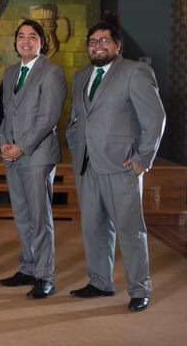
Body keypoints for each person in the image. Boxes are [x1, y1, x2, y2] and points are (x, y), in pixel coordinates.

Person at [66, 21, 165, 312]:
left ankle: (139, 289)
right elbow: (76, 120)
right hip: (87, 164)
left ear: (118, 45)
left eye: (104, 41)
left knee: (130, 230)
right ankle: (99, 282)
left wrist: (142, 159)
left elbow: (155, 118)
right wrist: (75, 150)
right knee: (93, 228)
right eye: (92, 41)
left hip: (122, 165)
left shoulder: (135, 71)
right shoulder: (81, 76)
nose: (98, 46)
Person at [0, 20, 66, 299]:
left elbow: (48, 118)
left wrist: (21, 147)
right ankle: (27, 268)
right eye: (21, 36)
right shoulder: (11, 72)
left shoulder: (51, 72)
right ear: (15, 42)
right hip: (11, 155)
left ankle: (45, 276)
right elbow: (3, 114)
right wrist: (2, 143)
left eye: (32, 36)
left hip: (37, 155)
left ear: (42, 42)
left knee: (39, 217)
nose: (26, 41)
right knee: (23, 216)